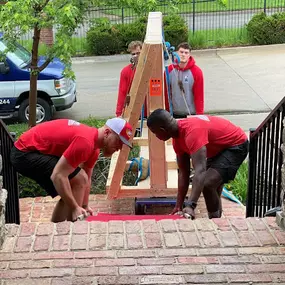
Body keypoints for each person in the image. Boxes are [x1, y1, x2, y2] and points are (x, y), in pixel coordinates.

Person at [10, 118, 133, 222]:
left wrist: (84, 206)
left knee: (78, 182)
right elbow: (57, 175)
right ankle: (71, 228)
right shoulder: (85, 142)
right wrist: (75, 207)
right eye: (119, 141)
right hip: (23, 154)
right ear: (106, 133)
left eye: (123, 145)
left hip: (31, 152)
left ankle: (60, 230)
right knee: (78, 179)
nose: (119, 148)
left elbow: (87, 178)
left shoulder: (93, 148)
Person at [147, 109, 248, 219]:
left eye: (155, 133)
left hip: (235, 145)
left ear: (163, 129)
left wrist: (191, 205)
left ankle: (215, 222)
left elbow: (200, 170)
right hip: (218, 148)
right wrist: (178, 205)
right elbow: (183, 173)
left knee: (208, 184)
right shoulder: (177, 140)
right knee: (213, 188)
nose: (156, 136)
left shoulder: (192, 133)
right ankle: (218, 222)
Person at [168, 42, 204, 118]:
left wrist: (200, 115)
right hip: (174, 113)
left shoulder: (196, 72)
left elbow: (199, 95)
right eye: (181, 52)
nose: (183, 55)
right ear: (177, 53)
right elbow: (166, 92)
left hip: (190, 114)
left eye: (186, 52)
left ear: (189, 55)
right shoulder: (169, 70)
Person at [116, 40, 148, 118]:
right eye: (133, 54)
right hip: (133, 111)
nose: (135, 56)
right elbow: (122, 93)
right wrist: (119, 113)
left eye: (138, 53)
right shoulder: (126, 71)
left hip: (149, 110)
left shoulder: (150, 69)